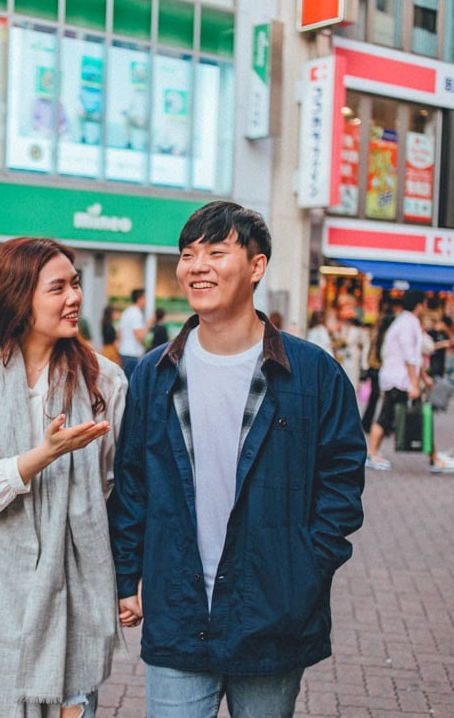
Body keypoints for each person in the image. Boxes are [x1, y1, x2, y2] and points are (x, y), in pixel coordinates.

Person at [108, 201, 365, 718]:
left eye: (216, 252)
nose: (196, 266)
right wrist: (126, 577)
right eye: (187, 254)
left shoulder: (311, 373)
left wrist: (307, 567)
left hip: (272, 611)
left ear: (256, 266)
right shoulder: (155, 374)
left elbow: (342, 479)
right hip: (178, 608)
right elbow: (133, 484)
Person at [0, 237, 126, 718]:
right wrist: (42, 456)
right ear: (19, 297)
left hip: (73, 562)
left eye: (75, 284)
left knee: (69, 702)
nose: (74, 298)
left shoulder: (104, 381)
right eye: (57, 288)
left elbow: (109, 482)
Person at [365, 290, 454, 473]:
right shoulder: (408, 324)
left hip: (397, 378)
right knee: (420, 419)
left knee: (386, 417)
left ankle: (372, 453)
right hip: (400, 380)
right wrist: (415, 385)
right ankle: (434, 460)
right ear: (419, 305)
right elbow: (410, 356)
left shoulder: (405, 322)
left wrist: (423, 377)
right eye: (424, 304)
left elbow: (414, 356)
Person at [117, 288, 150, 378]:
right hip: (132, 354)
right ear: (140, 298)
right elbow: (139, 337)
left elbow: (119, 333)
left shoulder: (126, 311)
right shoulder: (136, 313)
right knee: (133, 385)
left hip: (123, 352)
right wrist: (148, 325)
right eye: (145, 298)